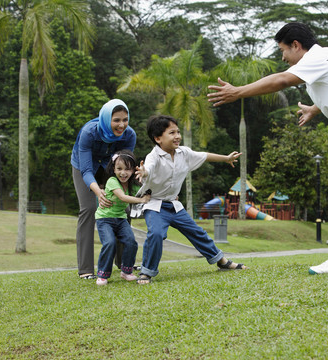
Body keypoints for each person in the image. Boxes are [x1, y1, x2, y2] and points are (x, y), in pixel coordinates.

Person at [207, 22, 328, 275]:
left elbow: (280, 80)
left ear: (296, 46)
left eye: (283, 50)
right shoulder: (326, 59)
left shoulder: (316, 58)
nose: (283, 57)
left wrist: (239, 92)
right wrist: (314, 108)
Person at [134, 115, 248, 284]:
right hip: (155, 205)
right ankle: (146, 272)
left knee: (197, 232)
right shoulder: (153, 157)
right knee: (156, 234)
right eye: (172, 133)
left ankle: (221, 261)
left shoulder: (184, 153)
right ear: (158, 138)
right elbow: (148, 168)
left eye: (178, 132)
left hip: (174, 204)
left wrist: (226, 159)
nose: (177, 136)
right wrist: (144, 173)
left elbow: (204, 155)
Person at [71, 99, 136, 279]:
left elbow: (125, 166)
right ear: (107, 119)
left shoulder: (129, 135)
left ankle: (125, 264)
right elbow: (85, 170)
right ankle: (85, 269)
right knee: (89, 208)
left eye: (125, 119)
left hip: (112, 168)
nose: (121, 125)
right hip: (84, 167)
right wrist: (99, 192)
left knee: (122, 205)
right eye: (116, 120)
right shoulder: (89, 133)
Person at [95, 150, 150, 286]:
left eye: (127, 169)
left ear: (133, 170)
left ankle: (126, 271)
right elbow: (122, 197)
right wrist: (141, 200)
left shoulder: (132, 185)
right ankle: (102, 274)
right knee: (110, 243)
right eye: (119, 168)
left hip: (120, 219)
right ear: (113, 169)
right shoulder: (112, 181)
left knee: (131, 242)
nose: (123, 172)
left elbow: (148, 187)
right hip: (104, 219)